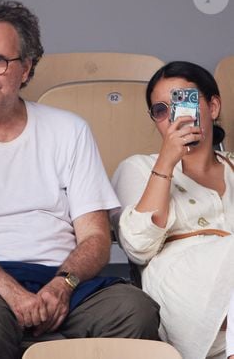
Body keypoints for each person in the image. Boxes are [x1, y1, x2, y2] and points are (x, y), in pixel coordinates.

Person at [0, 0, 160, 359]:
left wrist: (62, 286)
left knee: (135, 310)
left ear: (26, 68)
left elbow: (96, 237)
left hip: (59, 280)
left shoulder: (69, 130)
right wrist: (14, 295)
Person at [111, 60, 233, 359]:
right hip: (181, 281)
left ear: (212, 107)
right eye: (161, 110)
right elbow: (138, 247)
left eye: (182, 101)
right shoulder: (138, 167)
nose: (173, 116)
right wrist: (166, 161)